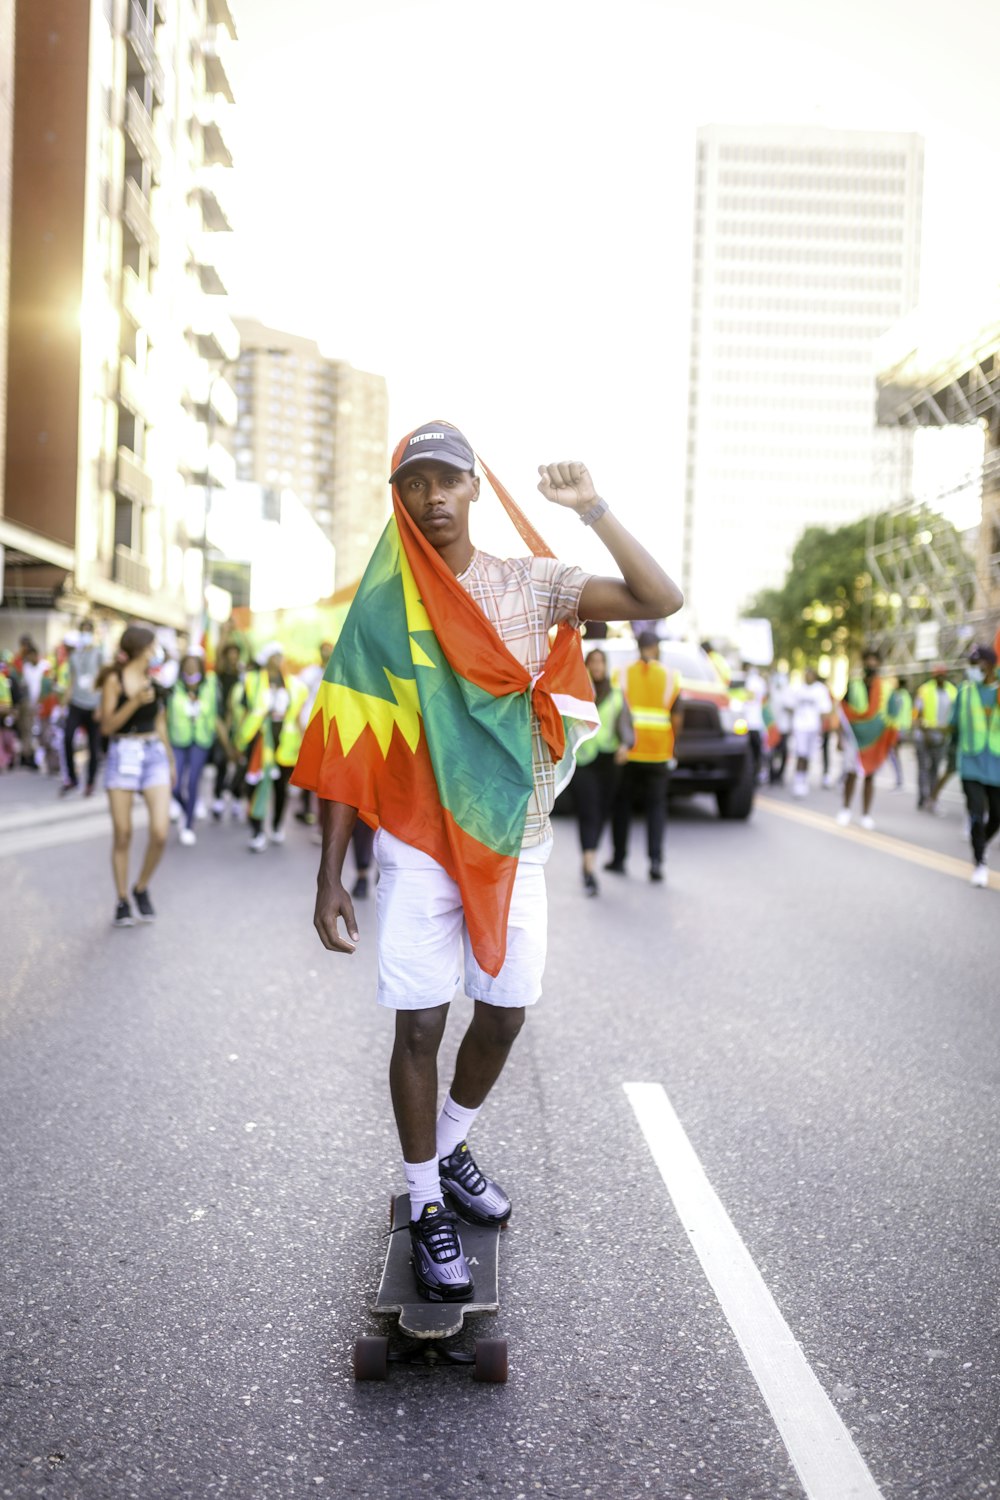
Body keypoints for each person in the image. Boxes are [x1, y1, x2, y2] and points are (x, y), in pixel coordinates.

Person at [298, 421, 681, 1302]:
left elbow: (660, 600)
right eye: (416, 484)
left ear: (475, 490)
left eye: (449, 481)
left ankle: (454, 1139)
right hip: (419, 849)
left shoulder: (528, 584)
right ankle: (425, 1196)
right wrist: (328, 873)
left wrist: (595, 510)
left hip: (516, 843)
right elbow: (349, 742)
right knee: (420, 1026)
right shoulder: (383, 609)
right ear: (400, 499)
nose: (434, 497)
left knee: (504, 1015)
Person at [97, 625, 173, 926]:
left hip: (153, 755)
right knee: (123, 833)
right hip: (122, 754)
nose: (156, 650)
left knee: (160, 832)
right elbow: (106, 727)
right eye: (153, 645)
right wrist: (133, 702)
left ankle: (141, 887)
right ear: (141, 648)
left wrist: (170, 761)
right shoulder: (115, 680)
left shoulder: (154, 680)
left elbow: (161, 724)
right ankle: (122, 899)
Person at [607, 631, 680, 881]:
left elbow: (616, 711)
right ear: (656, 647)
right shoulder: (670, 676)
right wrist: (674, 747)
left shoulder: (622, 674)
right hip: (659, 752)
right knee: (656, 808)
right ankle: (656, 863)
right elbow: (677, 715)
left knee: (622, 806)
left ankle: (619, 859)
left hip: (629, 751)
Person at [574, 647, 634, 895]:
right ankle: (589, 869)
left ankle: (590, 858)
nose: (597, 666)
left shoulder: (618, 694)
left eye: (601, 662)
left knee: (600, 813)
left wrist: (625, 744)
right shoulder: (577, 692)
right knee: (588, 812)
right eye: (593, 662)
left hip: (609, 763)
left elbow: (626, 727)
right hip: (584, 761)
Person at [238, 643, 309, 852]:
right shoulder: (252, 680)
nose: (278, 660)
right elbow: (245, 711)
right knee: (255, 785)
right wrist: (240, 742)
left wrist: (303, 742)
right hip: (259, 741)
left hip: (284, 744)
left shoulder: (293, 685)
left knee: (280, 789)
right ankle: (257, 830)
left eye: (280, 656)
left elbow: (296, 716)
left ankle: (277, 825)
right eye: (274, 656)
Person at [950, 645, 1000, 888]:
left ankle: (981, 844)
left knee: (997, 816)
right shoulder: (965, 691)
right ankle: (979, 862)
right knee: (976, 815)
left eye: (976, 664)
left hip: (997, 764)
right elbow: (954, 724)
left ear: (990, 665)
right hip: (970, 762)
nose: (973, 669)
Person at [836, 647, 898, 830]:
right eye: (868, 660)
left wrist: (891, 742)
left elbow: (892, 717)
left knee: (870, 776)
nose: (871, 663)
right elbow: (842, 712)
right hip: (854, 739)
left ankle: (865, 815)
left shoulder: (887, 688)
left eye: (875, 660)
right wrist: (839, 737)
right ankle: (845, 810)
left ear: (879, 663)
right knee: (851, 774)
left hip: (875, 741)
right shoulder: (853, 685)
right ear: (863, 662)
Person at [167, 651, 223, 846]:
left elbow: (214, 715)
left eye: (194, 665)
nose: (191, 669)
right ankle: (184, 807)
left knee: (192, 783)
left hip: (200, 741)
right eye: (187, 665)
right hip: (178, 741)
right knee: (173, 784)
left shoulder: (209, 687)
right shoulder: (174, 688)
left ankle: (188, 825)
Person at [61, 619, 104, 795]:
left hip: (93, 705)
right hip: (76, 703)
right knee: (67, 739)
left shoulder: (99, 654)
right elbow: (72, 681)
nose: (85, 634)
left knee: (93, 746)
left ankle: (90, 782)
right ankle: (72, 778)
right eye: (83, 631)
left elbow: (103, 681)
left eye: (88, 631)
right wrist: (64, 703)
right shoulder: (74, 656)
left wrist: (101, 706)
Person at [295, 642, 334, 826]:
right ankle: (306, 809)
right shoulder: (312, 673)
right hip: (310, 726)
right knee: (310, 768)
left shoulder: (339, 672)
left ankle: (321, 816)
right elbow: (299, 694)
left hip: (330, 728)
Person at [913, 663, 956, 813]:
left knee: (935, 769)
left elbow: (953, 717)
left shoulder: (952, 691)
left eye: (943, 675)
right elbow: (916, 715)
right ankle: (922, 798)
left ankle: (932, 798)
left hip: (941, 737)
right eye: (938, 675)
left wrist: (945, 734)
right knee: (923, 768)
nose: (940, 678)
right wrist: (925, 734)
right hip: (924, 736)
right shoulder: (924, 690)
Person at [209, 641, 245, 820]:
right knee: (221, 760)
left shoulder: (244, 676)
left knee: (239, 763)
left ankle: (237, 798)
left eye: (235, 653)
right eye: (229, 653)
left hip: (239, 724)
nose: (233, 657)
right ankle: (218, 798)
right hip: (221, 722)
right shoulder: (219, 676)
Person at [786, 666, 832, 798]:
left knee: (808, 755)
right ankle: (798, 780)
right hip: (800, 727)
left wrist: (822, 728)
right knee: (801, 753)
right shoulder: (798, 689)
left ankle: (804, 778)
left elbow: (826, 710)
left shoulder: (820, 690)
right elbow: (790, 706)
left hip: (813, 728)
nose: (808, 676)